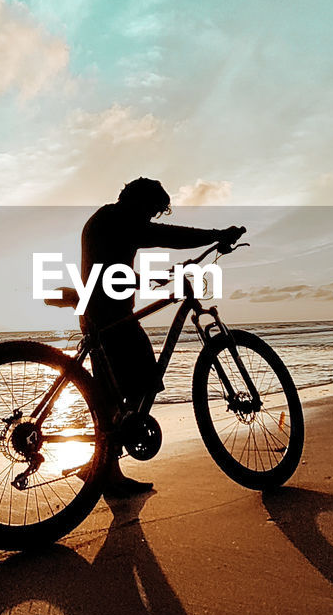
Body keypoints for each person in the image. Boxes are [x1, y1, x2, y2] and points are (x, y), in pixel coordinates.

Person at [81, 177, 243, 497]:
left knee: (114, 393)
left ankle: (100, 467)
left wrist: (146, 277)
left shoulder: (110, 220)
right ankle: (106, 470)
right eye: (151, 210)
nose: (150, 218)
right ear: (137, 202)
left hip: (101, 311)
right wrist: (216, 235)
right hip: (110, 316)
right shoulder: (118, 218)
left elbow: (108, 265)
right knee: (139, 383)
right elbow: (165, 235)